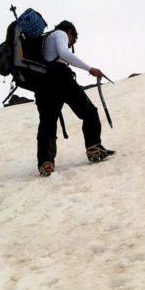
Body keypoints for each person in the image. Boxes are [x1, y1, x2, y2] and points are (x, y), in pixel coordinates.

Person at [34, 20, 113, 176]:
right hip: (60, 77)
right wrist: (90, 69)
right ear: (70, 32)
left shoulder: (44, 41)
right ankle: (94, 148)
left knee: (47, 122)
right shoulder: (60, 33)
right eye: (73, 39)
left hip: (42, 84)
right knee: (89, 111)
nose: (71, 43)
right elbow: (64, 53)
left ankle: (45, 162)